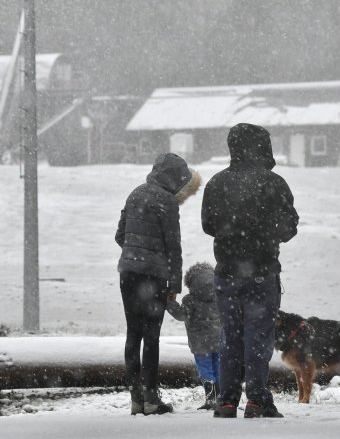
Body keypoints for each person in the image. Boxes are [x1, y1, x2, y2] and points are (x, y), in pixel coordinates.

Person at [201, 123, 299, 419]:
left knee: (230, 337)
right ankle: (257, 400)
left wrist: (232, 233)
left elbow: (208, 225)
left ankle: (227, 401)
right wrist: (264, 233)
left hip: (226, 273)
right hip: (262, 271)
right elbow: (289, 228)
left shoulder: (216, 183)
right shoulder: (274, 183)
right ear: (262, 147)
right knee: (258, 338)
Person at [116, 153, 201, 415]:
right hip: (153, 277)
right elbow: (173, 247)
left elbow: (120, 235)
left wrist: (136, 253)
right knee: (151, 337)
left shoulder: (135, 194)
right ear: (173, 177)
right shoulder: (167, 201)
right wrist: (173, 283)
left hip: (128, 272)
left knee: (133, 334)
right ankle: (152, 398)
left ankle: (135, 399)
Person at [166, 261, 221, 410]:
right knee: (218, 367)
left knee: (205, 369)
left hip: (200, 344)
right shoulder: (219, 297)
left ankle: (211, 399)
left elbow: (181, 315)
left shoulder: (190, 300)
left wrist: (170, 303)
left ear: (190, 282)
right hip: (218, 340)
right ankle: (220, 397)